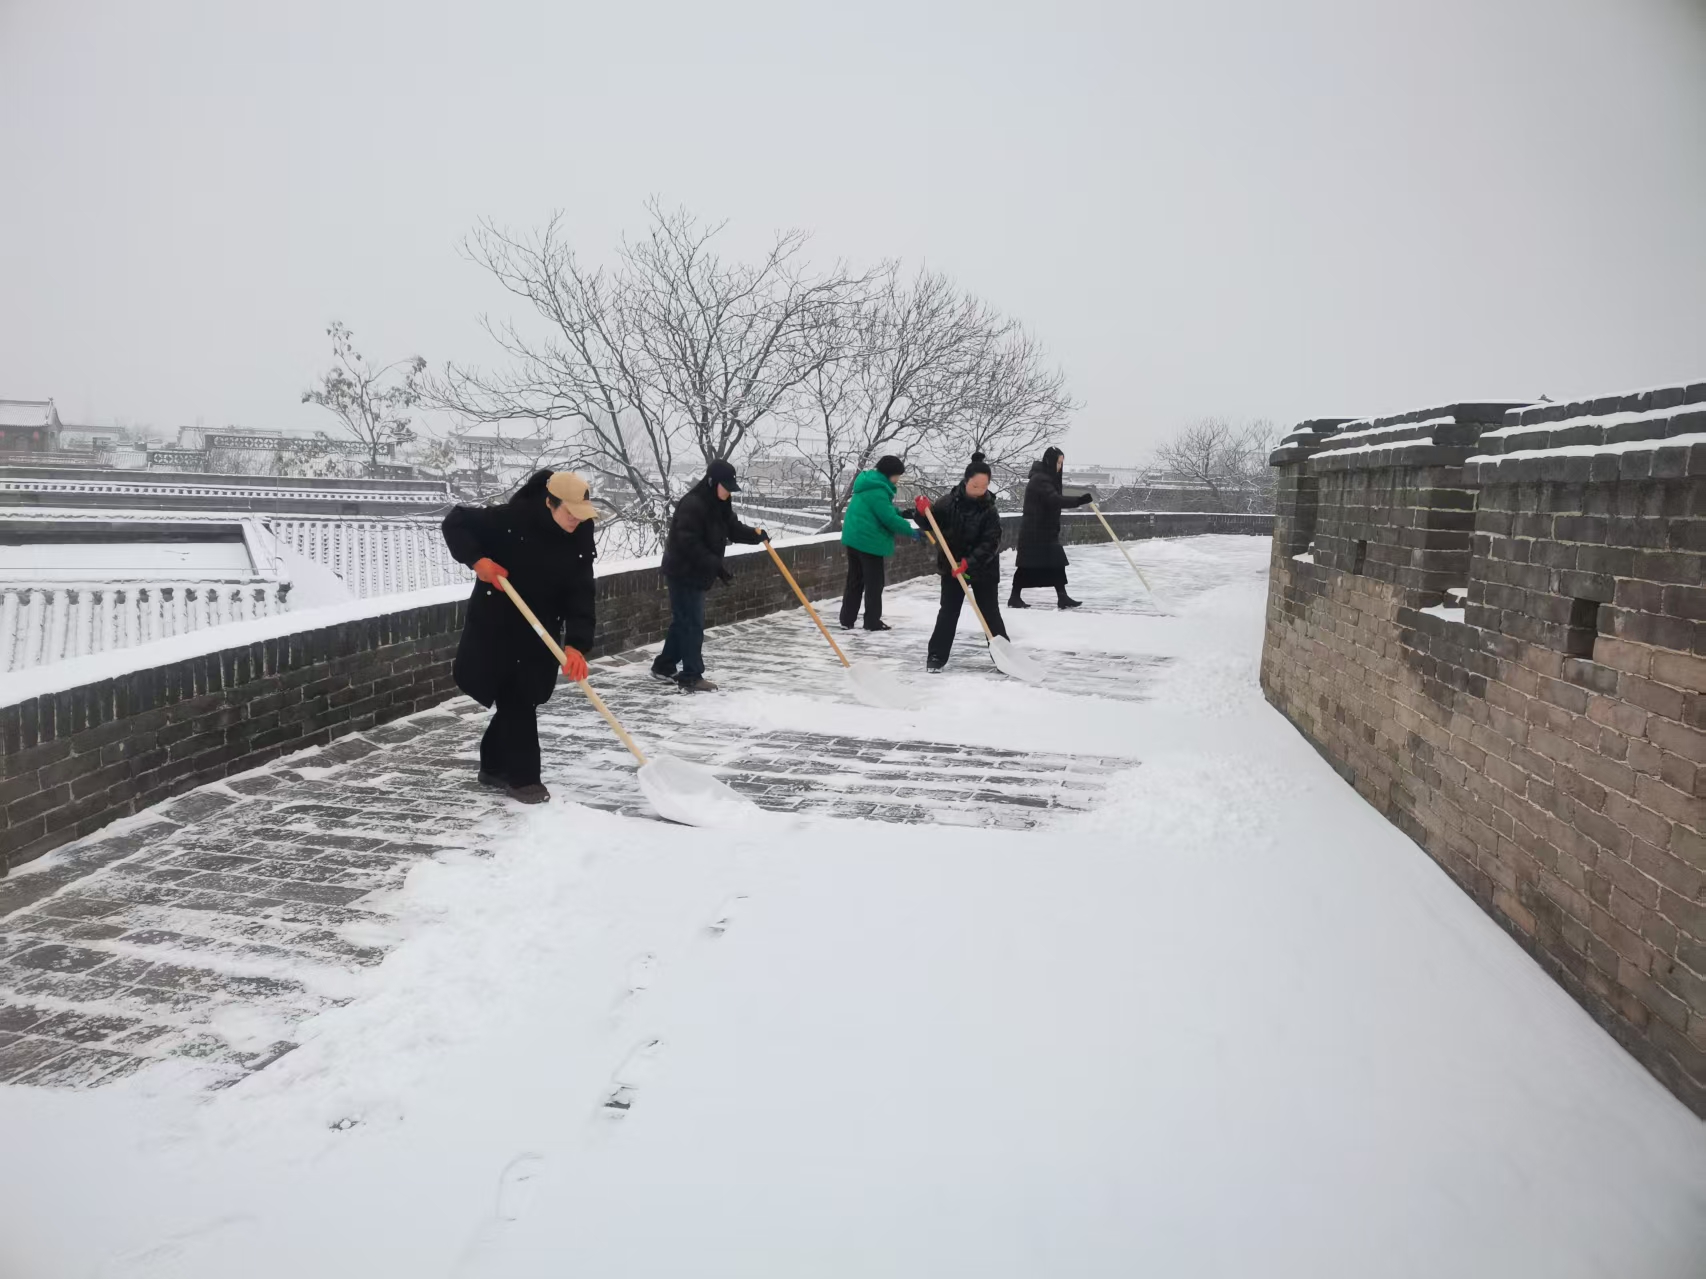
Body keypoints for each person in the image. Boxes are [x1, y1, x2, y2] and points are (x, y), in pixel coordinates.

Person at [442, 469, 601, 804]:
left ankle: (493, 766)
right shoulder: (510, 520)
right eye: (569, 512)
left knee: (528, 696)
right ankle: (525, 779)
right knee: (518, 698)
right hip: (497, 624)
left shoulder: (580, 534)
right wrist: (477, 561)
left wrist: (576, 644)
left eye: (580, 513)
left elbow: (581, 593)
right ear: (549, 503)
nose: (575, 519)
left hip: (541, 627)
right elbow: (456, 521)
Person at [652, 458, 766, 693]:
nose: (728, 492)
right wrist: (715, 565)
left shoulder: (720, 503)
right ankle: (691, 676)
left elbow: (732, 528)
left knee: (683, 621)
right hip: (682, 571)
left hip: (697, 571)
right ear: (712, 482)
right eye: (726, 487)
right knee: (692, 623)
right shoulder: (693, 504)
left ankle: (664, 666)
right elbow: (687, 541)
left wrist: (756, 536)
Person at [912, 451, 1007, 671]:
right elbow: (930, 523)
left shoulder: (990, 510)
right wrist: (922, 513)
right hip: (951, 566)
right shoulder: (948, 503)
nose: (980, 491)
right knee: (948, 612)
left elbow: (991, 543)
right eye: (975, 486)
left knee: (990, 614)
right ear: (966, 481)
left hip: (983, 568)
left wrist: (968, 563)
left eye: (984, 487)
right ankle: (936, 657)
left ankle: (1004, 657)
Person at [838, 454, 923, 631]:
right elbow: (888, 518)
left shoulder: (869, 484)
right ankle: (872, 622)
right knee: (874, 585)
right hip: (869, 542)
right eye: (897, 475)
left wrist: (901, 513)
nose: (898, 479)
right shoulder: (878, 490)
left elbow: (882, 510)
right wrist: (911, 531)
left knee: (855, 581)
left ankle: (847, 619)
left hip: (854, 539)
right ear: (889, 474)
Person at [1010, 445, 1096, 609]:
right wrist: (1078, 501)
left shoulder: (1046, 478)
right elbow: (1054, 500)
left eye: (1061, 463)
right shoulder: (1040, 480)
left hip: (1044, 531)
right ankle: (1014, 597)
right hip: (1034, 532)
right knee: (1026, 566)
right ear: (1050, 462)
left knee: (1056, 562)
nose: (1060, 467)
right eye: (1058, 463)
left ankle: (1062, 597)